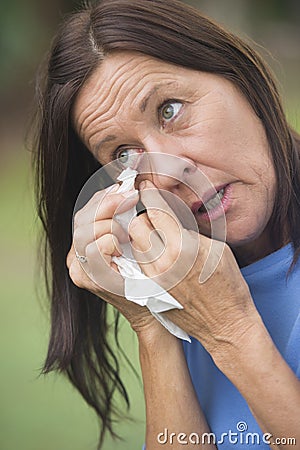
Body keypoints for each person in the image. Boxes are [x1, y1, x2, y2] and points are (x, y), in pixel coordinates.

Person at [33, 0, 300, 448]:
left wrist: (232, 332)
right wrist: (151, 321)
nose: (168, 172)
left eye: (170, 109)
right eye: (124, 155)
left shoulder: (215, 308)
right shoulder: (195, 285)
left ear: (242, 79)